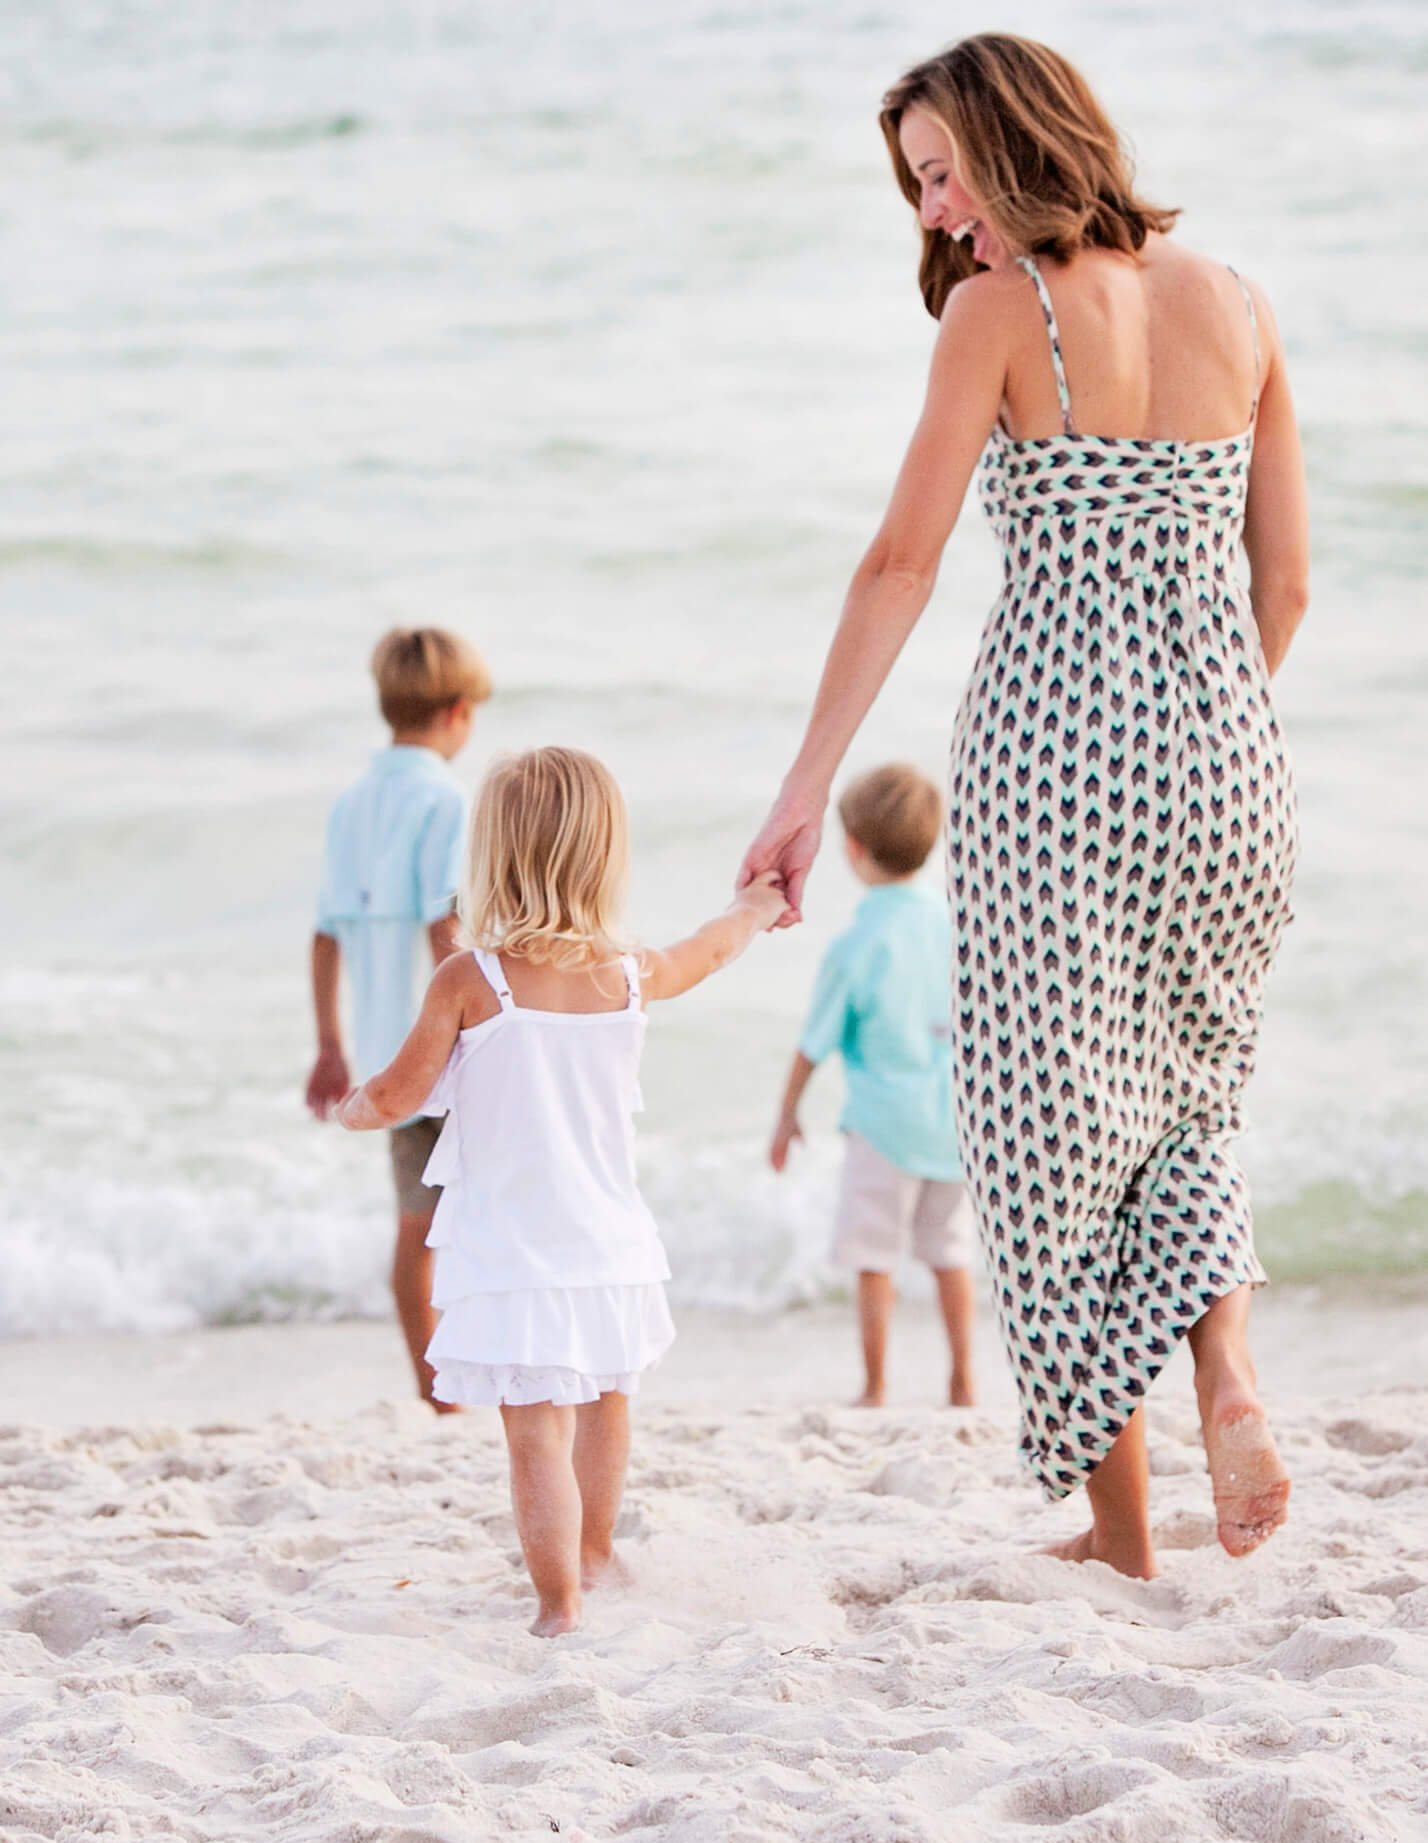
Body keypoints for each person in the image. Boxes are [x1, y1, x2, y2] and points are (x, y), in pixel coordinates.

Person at [738, 33, 1309, 1578]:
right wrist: (1197, 730)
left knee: (1049, 1151)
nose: (934, 214)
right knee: (1188, 1102)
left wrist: (804, 787)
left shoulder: (1002, 313)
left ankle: (1122, 1540)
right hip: (1233, 770)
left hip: (1053, 776)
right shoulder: (1240, 301)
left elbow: (900, 565)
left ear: (1017, 141)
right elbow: (1286, 586)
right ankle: (1229, 1377)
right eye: (917, 188)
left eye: (940, 175)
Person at [336, 746, 787, 1634]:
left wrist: (353, 1108)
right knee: (608, 1401)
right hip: (611, 1238)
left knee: (535, 1430)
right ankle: (596, 1553)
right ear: (605, 856)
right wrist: (757, 905)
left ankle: (559, 1605)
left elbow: (397, 1094)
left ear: (493, 856)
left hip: (516, 1249)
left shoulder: (471, 979)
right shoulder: (630, 972)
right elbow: (711, 950)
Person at [305, 626, 491, 1409]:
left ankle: (436, 1393)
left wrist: (330, 1047)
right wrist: (484, 1023)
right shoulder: (445, 799)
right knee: (486, 1218)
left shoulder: (351, 804)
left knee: (416, 1227)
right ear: (458, 712)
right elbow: (444, 925)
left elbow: (325, 934)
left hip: (388, 1059)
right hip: (447, 1051)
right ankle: (484, 1376)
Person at [770, 763, 976, 1407]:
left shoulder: (857, 942)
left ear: (853, 848)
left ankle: (876, 1385)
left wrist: (787, 1115)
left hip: (884, 1127)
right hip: (955, 1126)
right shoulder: (958, 926)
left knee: (873, 1257)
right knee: (950, 1253)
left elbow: (815, 1043)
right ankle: (963, 1381)